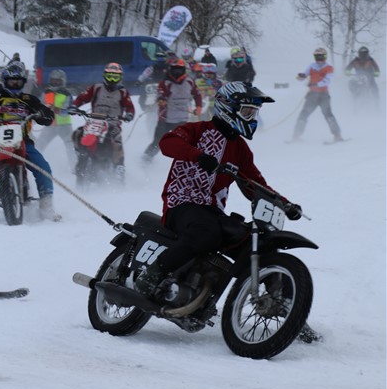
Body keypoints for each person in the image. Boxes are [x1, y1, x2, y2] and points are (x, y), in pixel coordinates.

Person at [132, 81, 302, 297]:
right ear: (227, 106)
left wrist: (285, 204)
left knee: (257, 241)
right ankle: (153, 274)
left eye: (254, 113)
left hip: (212, 211)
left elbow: (255, 184)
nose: (251, 117)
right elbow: (167, 143)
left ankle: (284, 305)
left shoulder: (240, 149)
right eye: (247, 111)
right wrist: (198, 155)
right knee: (206, 232)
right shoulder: (197, 129)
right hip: (181, 203)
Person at [0, 61, 60, 220]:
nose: (15, 84)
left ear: (23, 82)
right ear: (5, 81)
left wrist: (43, 115)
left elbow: (47, 115)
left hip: (23, 140)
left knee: (42, 166)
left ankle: (46, 203)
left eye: (18, 81)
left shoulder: (28, 99)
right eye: (12, 81)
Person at [71, 63, 135, 181]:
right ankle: (81, 157)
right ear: (104, 76)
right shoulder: (96, 88)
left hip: (113, 124)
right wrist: (74, 106)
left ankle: (119, 170)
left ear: (120, 78)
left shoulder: (123, 92)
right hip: (94, 122)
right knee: (77, 133)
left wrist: (129, 115)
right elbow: (82, 98)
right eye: (109, 76)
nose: (112, 79)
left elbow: (130, 107)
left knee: (116, 142)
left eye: (115, 77)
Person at [143, 59, 202, 161]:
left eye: (179, 69)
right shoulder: (165, 83)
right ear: (170, 70)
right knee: (158, 142)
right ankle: (146, 158)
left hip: (182, 119)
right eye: (174, 69)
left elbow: (197, 94)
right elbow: (160, 94)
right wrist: (161, 100)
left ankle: (187, 162)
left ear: (184, 70)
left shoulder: (189, 82)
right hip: (165, 119)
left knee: (186, 143)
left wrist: (199, 107)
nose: (177, 72)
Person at [291, 47, 343, 143]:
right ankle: (296, 136)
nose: (319, 59)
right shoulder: (312, 66)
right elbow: (304, 76)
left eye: (321, 57)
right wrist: (301, 76)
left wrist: (316, 84)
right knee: (304, 114)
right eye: (317, 57)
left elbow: (327, 80)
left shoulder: (329, 68)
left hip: (323, 95)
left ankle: (337, 136)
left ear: (325, 57)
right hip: (312, 95)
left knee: (328, 114)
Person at [35, 69, 76, 169]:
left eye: (57, 81)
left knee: (71, 147)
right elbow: (39, 105)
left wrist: (57, 110)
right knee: (39, 145)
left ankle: (75, 167)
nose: (55, 83)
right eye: (53, 80)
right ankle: (33, 164)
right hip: (50, 124)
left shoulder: (66, 94)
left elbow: (67, 110)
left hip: (64, 125)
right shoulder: (46, 93)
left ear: (62, 81)